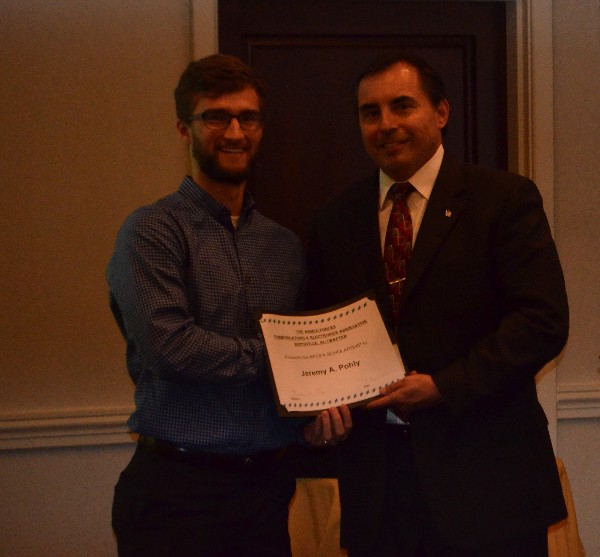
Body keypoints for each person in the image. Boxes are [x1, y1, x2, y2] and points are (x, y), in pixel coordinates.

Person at [306, 52, 569, 557]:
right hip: (378, 491)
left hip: (487, 484)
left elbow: (543, 321)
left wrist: (444, 387)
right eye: (370, 112)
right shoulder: (333, 221)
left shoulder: (504, 200)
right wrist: (318, 406)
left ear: (442, 112)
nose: (386, 125)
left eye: (402, 106)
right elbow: (319, 332)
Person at [107, 53, 351, 557]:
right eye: (215, 117)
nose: (234, 131)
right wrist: (286, 358)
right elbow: (170, 348)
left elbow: (292, 375)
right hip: (176, 494)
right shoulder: (152, 231)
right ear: (184, 129)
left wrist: (313, 418)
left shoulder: (284, 246)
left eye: (248, 117)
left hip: (265, 491)